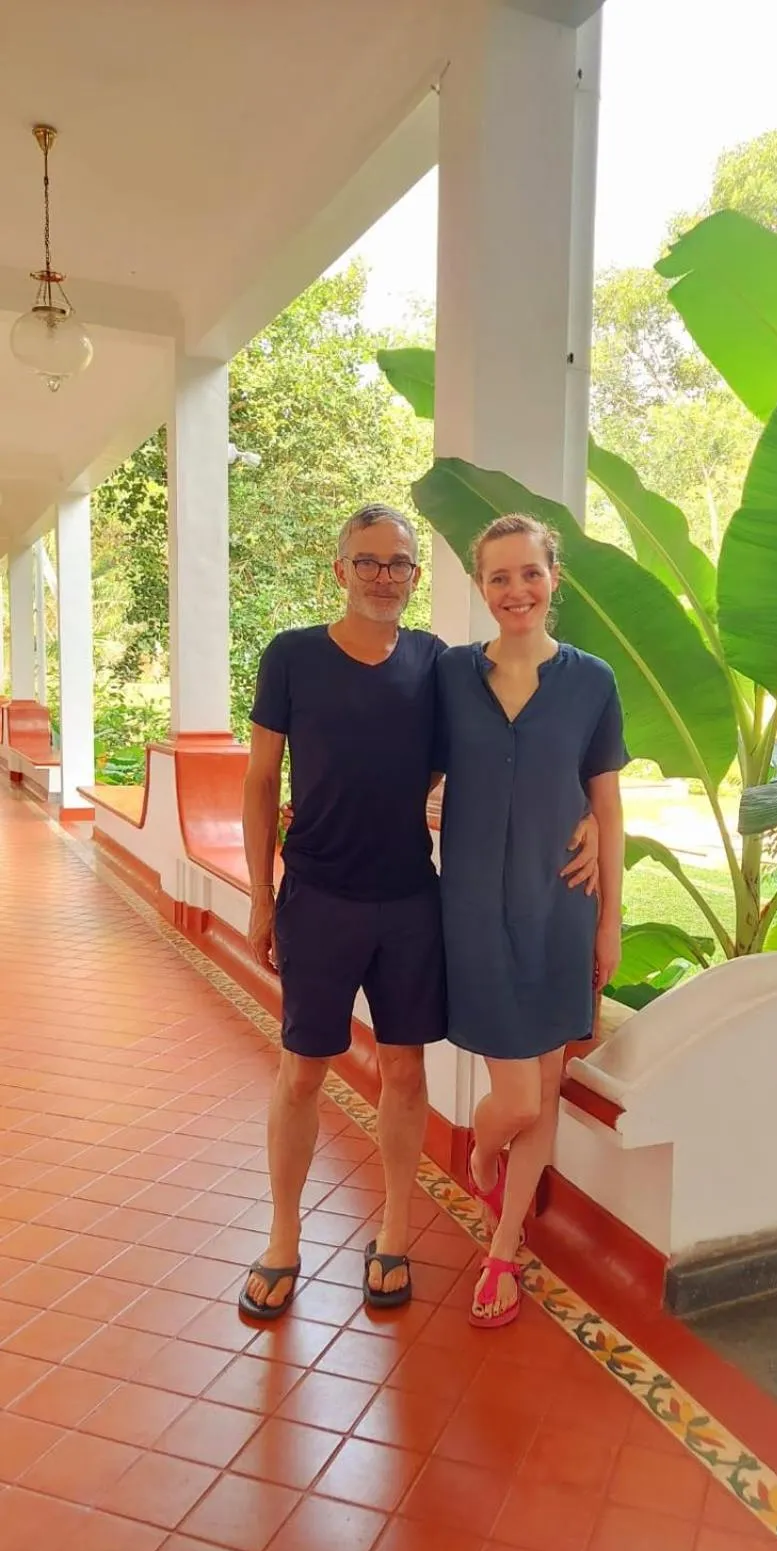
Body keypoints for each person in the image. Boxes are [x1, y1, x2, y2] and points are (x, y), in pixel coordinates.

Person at [239, 504, 599, 1319]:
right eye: (366, 561)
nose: (383, 576)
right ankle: (283, 1238)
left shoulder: (436, 663)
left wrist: (589, 820)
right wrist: (262, 894)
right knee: (301, 1073)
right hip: (317, 898)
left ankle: (394, 1233)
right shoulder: (291, 656)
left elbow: (511, 743)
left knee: (404, 1071)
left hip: (409, 901)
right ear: (339, 570)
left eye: (399, 563)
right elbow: (262, 781)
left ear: (413, 575)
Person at [436, 512, 626, 1329]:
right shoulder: (447, 674)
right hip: (474, 906)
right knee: (513, 1098)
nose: (515, 590)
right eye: (498, 576)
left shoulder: (592, 681)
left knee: (542, 1091)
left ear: (555, 579)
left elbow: (608, 806)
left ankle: (504, 1247)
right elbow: (414, 760)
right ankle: (480, 1153)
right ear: (481, 586)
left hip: (559, 906)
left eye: (529, 573)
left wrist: (609, 921)